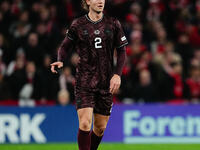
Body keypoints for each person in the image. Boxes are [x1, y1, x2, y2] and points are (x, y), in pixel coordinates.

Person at [51, 0, 128, 149]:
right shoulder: (78, 24)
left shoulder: (113, 24)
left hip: (105, 83)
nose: (100, 1)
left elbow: (122, 51)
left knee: (100, 128)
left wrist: (117, 75)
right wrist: (60, 60)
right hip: (85, 81)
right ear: (87, 1)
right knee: (85, 123)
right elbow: (65, 46)